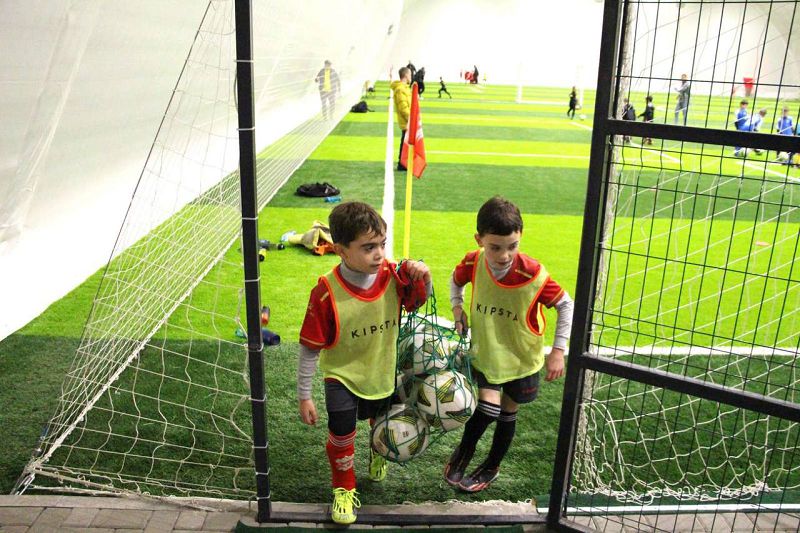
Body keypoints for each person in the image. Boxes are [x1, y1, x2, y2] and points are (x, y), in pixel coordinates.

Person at [298, 201, 432, 525]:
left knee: (381, 425)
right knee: (341, 434)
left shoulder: (394, 276)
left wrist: (423, 278)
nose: (379, 254)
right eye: (369, 247)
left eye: (382, 244)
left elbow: (418, 301)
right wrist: (304, 395)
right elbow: (310, 348)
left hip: (381, 371)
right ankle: (344, 488)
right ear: (341, 250)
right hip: (342, 376)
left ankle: (378, 450)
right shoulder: (325, 292)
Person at [443, 196, 573, 493]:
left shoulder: (533, 274)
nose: (504, 255)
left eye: (512, 246)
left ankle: (492, 465)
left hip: (522, 358)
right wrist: (457, 308)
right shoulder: (473, 261)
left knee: (507, 413)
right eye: (495, 247)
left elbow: (566, 305)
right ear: (479, 240)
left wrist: (558, 351)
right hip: (488, 352)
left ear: (520, 236)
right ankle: (464, 453)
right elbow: (455, 279)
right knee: (488, 408)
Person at [390, 67, 412, 171]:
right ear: (406, 75)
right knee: (405, 142)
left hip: (408, 120)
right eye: (410, 74)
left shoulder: (405, 88)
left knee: (405, 141)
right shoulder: (400, 89)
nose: (411, 76)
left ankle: (403, 163)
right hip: (406, 121)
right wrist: (411, 119)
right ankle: (402, 164)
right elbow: (403, 108)